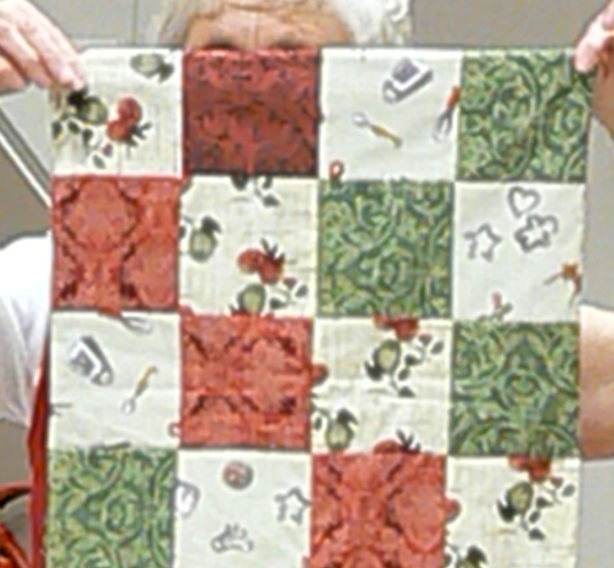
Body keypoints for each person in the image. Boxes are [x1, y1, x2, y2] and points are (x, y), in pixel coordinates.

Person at [0, 0, 613, 468]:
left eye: (296, 62)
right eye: (219, 58)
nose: (250, 95)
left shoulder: (448, 316)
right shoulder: (63, 287)